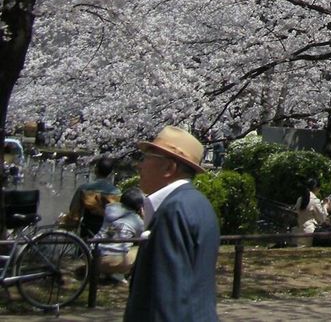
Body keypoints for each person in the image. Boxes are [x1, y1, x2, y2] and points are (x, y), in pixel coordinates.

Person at [124, 125, 219, 322]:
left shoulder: (173, 210)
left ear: (169, 168)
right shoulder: (198, 204)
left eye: (146, 158)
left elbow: (167, 296)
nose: (139, 166)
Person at [94, 187, 146, 283]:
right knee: (143, 246)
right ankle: (118, 273)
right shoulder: (137, 220)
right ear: (140, 206)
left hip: (93, 257)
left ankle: (104, 272)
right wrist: (143, 217)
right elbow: (143, 235)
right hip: (112, 262)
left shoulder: (109, 209)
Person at [65, 156, 120, 238]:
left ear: (95, 170)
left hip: (88, 229)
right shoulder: (116, 192)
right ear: (111, 172)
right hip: (106, 232)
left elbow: (74, 210)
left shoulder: (84, 188)